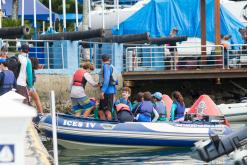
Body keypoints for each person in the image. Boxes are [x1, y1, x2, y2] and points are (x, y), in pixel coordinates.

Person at [98, 54, 117, 121]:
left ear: (102, 60)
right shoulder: (112, 66)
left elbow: (106, 80)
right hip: (111, 92)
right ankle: (104, 125)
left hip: (107, 92)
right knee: (101, 111)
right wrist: (115, 93)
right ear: (109, 59)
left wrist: (102, 92)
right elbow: (115, 81)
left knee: (106, 111)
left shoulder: (106, 66)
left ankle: (109, 126)